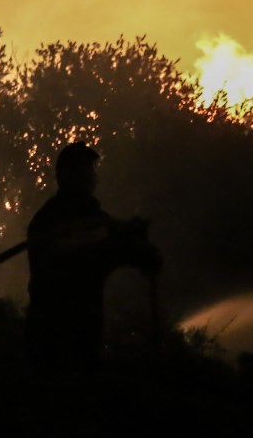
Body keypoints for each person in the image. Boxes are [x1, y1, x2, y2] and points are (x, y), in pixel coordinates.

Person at [26, 142, 161, 379]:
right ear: (64, 175)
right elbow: (67, 266)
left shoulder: (96, 218)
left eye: (89, 170)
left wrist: (140, 247)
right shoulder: (49, 220)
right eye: (82, 170)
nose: (90, 177)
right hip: (52, 335)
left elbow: (128, 252)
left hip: (85, 334)